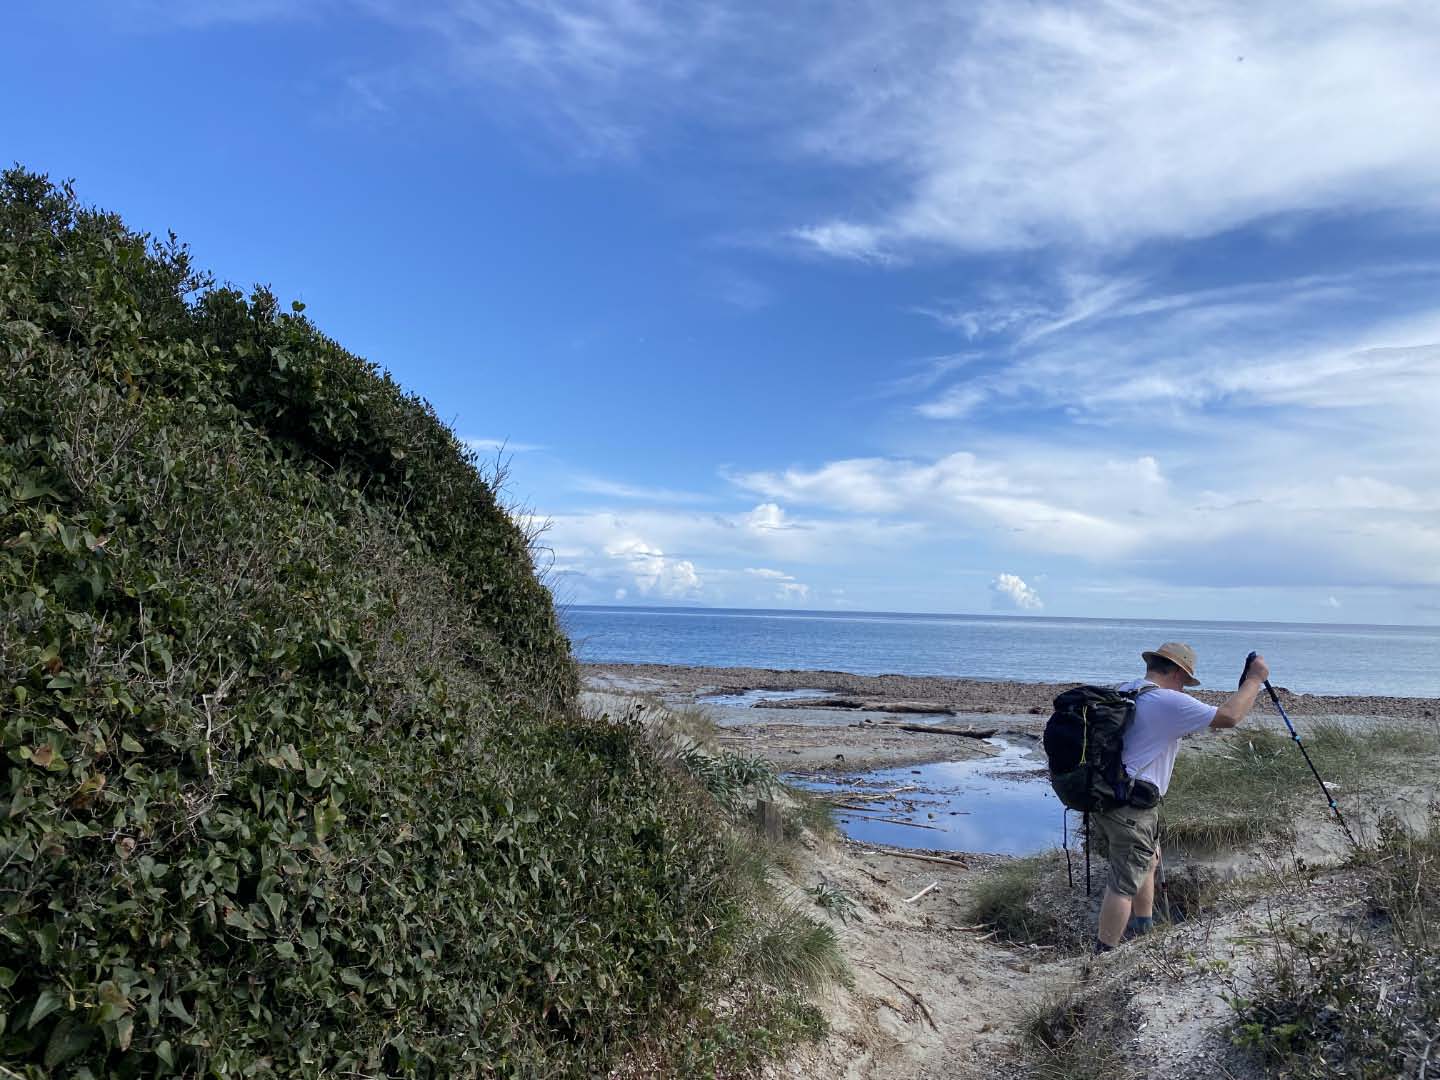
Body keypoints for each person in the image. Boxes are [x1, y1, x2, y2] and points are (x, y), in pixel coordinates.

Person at [1092, 642, 1269, 952]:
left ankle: (1143, 932)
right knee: (1123, 883)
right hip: (1132, 807)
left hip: (1108, 796)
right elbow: (1230, 717)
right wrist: (1255, 679)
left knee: (1148, 861)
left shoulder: (1126, 690)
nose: (1184, 689)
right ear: (1176, 672)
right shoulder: (1166, 701)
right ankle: (1102, 956)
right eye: (1185, 681)